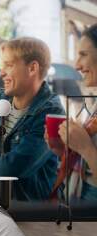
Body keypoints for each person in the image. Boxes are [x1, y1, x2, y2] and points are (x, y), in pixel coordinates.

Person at [0, 37, 65, 201]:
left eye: (9, 65)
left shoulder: (51, 112)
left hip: (29, 214)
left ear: (32, 68)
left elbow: (13, 167)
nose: (1, 73)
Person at [46, 24, 97, 200]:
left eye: (83, 54)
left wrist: (85, 148)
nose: (77, 65)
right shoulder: (95, 106)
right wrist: (66, 149)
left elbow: (90, 152)